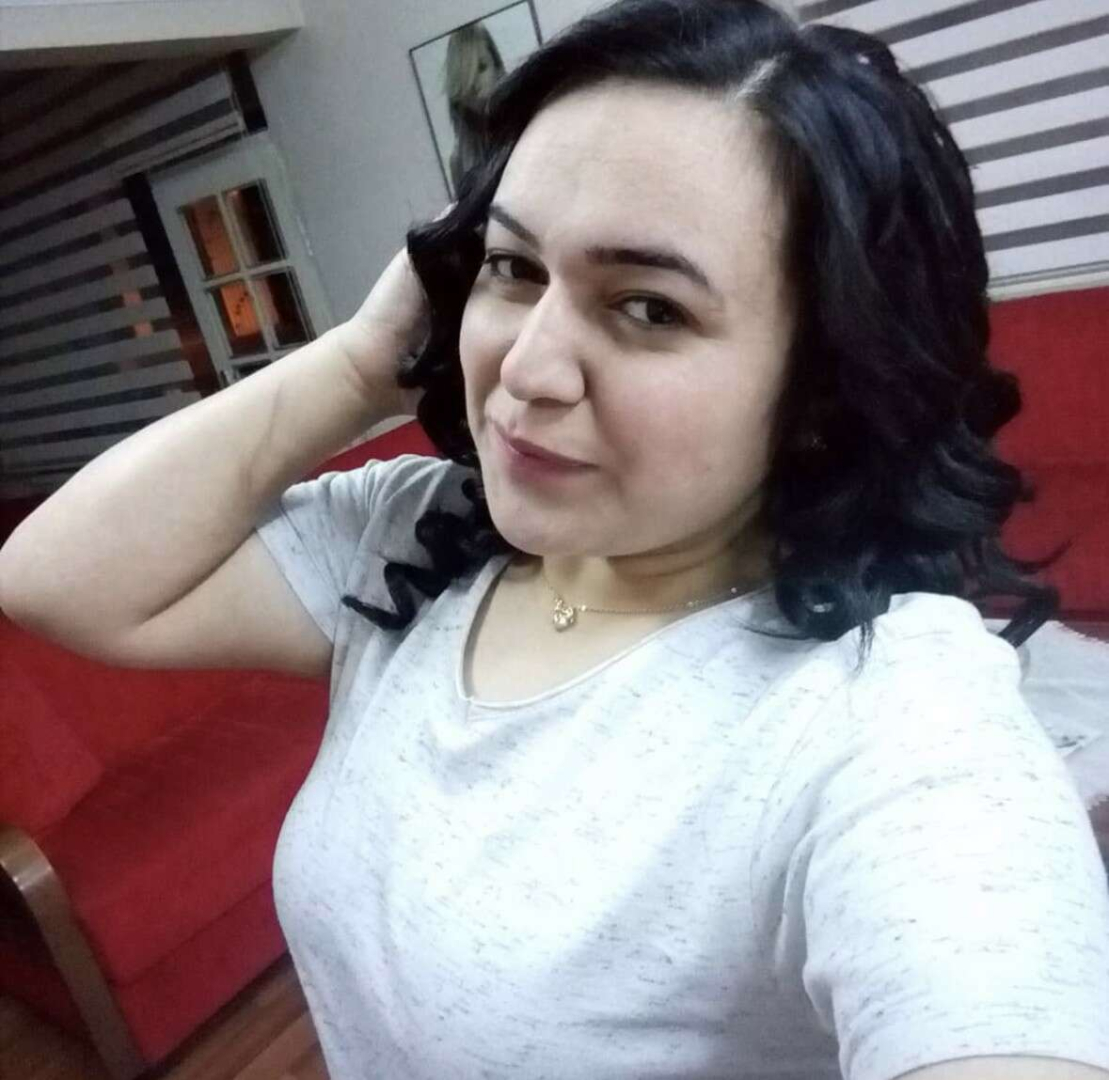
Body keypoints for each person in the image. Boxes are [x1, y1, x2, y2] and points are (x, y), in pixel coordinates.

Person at [1, 2, 1107, 1079]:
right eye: (512, 268)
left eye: (649, 308)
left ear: (821, 384)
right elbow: (57, 580)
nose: (524, 367)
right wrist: (363, 359)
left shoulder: (884, 716)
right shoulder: (418, 537)